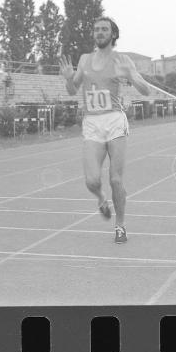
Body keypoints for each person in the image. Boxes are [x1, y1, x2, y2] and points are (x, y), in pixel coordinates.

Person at [58, 17, 150, 243]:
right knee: (91, 181)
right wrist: (69, 79)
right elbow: (72, 90)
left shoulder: (123, 60)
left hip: (115, 121)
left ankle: (120, 226)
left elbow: (145, 90)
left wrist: (130, 76)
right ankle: (101, 199)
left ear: (113, 34)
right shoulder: (84, 60)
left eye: (104, 29)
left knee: (116, 180)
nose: (99, 32)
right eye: (96, 29)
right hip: (92, 123)